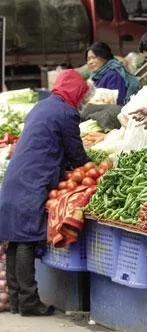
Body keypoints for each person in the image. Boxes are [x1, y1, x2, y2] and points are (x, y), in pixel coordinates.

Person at [0, 70, 90, 316]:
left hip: (16, 177)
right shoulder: (66, 113)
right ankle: (29, 300)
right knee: (27, 237)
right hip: (33, 180)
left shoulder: (42, 107)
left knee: (15, 240)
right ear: (74, 91)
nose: (81, 100)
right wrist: (90, 167)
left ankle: (18, 300)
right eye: (81, 95)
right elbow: (76, 153)